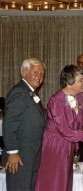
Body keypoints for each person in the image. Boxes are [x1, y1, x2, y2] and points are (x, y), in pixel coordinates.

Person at [35, 65, 83, 191]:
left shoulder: (79, 96)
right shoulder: (56, 101)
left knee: (66, 181)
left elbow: (80, 119)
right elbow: (64, 130)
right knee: (55, 181)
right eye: (80, 80)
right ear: (69, 82)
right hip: (55, 146)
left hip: (69, 144)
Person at [2, 57, 46, 191]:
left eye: (42, 74)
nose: (39, 77)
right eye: (35, 72)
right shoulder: (19, 92)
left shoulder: (30, 92)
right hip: (20, 158)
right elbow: (9, 124)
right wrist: (13, 152)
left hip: (30, 157)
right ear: (23, 73)